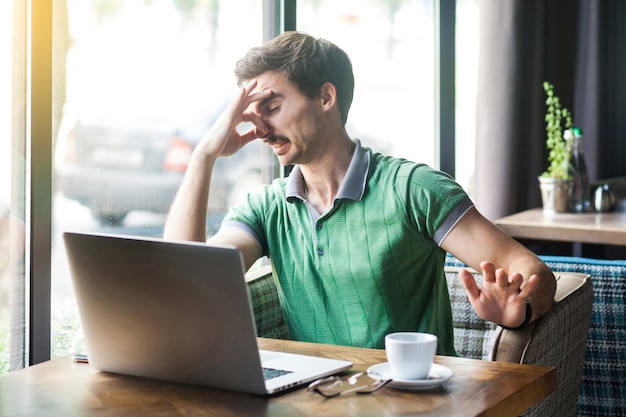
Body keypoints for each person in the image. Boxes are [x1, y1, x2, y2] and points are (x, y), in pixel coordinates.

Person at [163, 31, 556, 355]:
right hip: (311, 402)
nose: (260, 128)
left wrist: (516, 310)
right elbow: (186, 281)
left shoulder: (413, 190)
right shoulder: (266, 209)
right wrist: (204, 155)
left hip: (415, 403)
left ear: (326, 97)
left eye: (272, 106)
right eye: (253, 113)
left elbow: (533, 272)